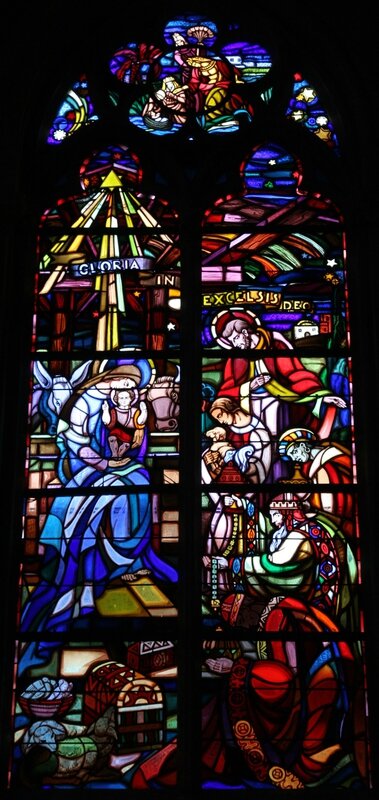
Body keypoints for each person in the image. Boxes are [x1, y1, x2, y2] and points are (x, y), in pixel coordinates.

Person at [19, 361, 178, 675]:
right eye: (122, 379)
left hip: (124, 465)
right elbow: (73, 441)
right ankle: (94, 569)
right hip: (86, 467)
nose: (126, 387)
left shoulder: (136, 406)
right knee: (103, 496)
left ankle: (129, 555)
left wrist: (126, 452)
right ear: (111, 378)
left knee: (139, 482)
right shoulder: (90, 400)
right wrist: (103, 462)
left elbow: (138, 444)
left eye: (131, 383)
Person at [217, 316, 347, 449]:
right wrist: (249, 386)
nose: (234, 345)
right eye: (231, 342)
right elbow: (225, 391)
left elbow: (295, 374)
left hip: (279, 399)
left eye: (235, 339)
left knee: (275, 417)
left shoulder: (276, 346)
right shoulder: (235, 360)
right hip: (248, 403)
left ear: (244, 333)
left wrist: (320, 396)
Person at [278, 426, 353, 527]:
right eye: (291, 456)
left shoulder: (333, 455)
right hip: (324, 517)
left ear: (303, 446)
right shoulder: (306, 469)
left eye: (294, 452)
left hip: (343, 515)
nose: (294, 458)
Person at [202, 395, 272, 484]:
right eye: (217, 419)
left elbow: (261, 466)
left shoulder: (258, 432)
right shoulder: (226, 432)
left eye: (220, 416)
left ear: (229, 408)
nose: (221, 422)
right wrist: (209, 457)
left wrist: (236, 464)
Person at [101, 386, 147, 466]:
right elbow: (107, 422)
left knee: (126, 444)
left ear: (131, 398)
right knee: (112, 438)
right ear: (117, 400)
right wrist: (105, 410)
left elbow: (140, 422)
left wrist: (144, 411)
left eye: (126, 397)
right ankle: (115, 456)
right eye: (121, 398)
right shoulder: (114, 411)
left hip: (129, 433)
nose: (124, 400)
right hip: (115, 432)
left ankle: (120, 457)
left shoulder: (134, 411)